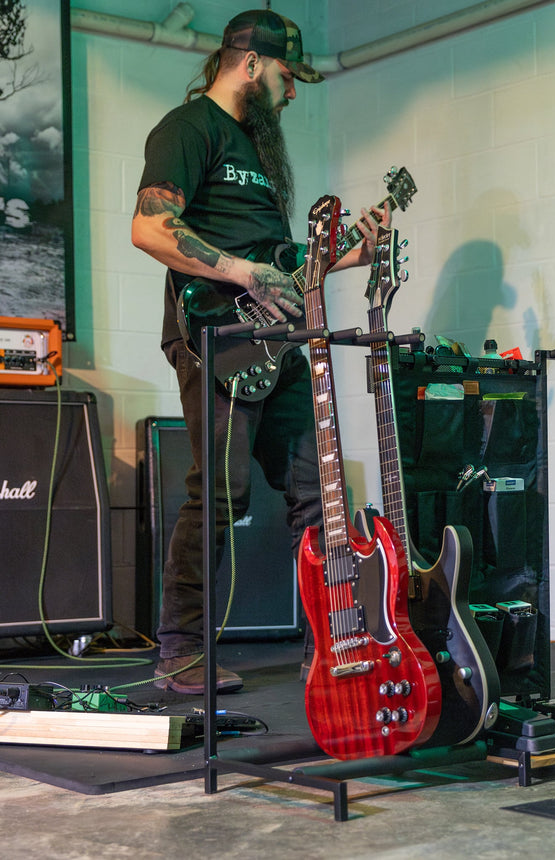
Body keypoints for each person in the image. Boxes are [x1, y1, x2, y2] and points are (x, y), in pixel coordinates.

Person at [131, 10, 390, 694]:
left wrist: (356, 251)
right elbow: (151, 228)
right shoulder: (188, 130)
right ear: (250, 64)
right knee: (219, 493)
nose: (294, 92)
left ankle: (333, 644)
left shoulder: (257, 152)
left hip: (279, 339)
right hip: (215, 336)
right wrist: (241, 273)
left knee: (317, 488)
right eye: (287, 75)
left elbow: (279, 262)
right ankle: (181, 651)